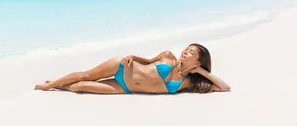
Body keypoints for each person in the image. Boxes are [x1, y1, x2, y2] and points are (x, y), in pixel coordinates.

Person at [34, 43, 231, 94]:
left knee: (80, 87)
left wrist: (203, 73)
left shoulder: (187, 83)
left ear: (198, 61)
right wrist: (131, 57)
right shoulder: (168, 56)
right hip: (125, 68)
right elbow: (146, 61)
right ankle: (49, 85)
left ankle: (58, 85)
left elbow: (224, 88)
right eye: (186, 49)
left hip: (125, 89)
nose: (184, 52)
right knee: (86, 75)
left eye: (190, 53)